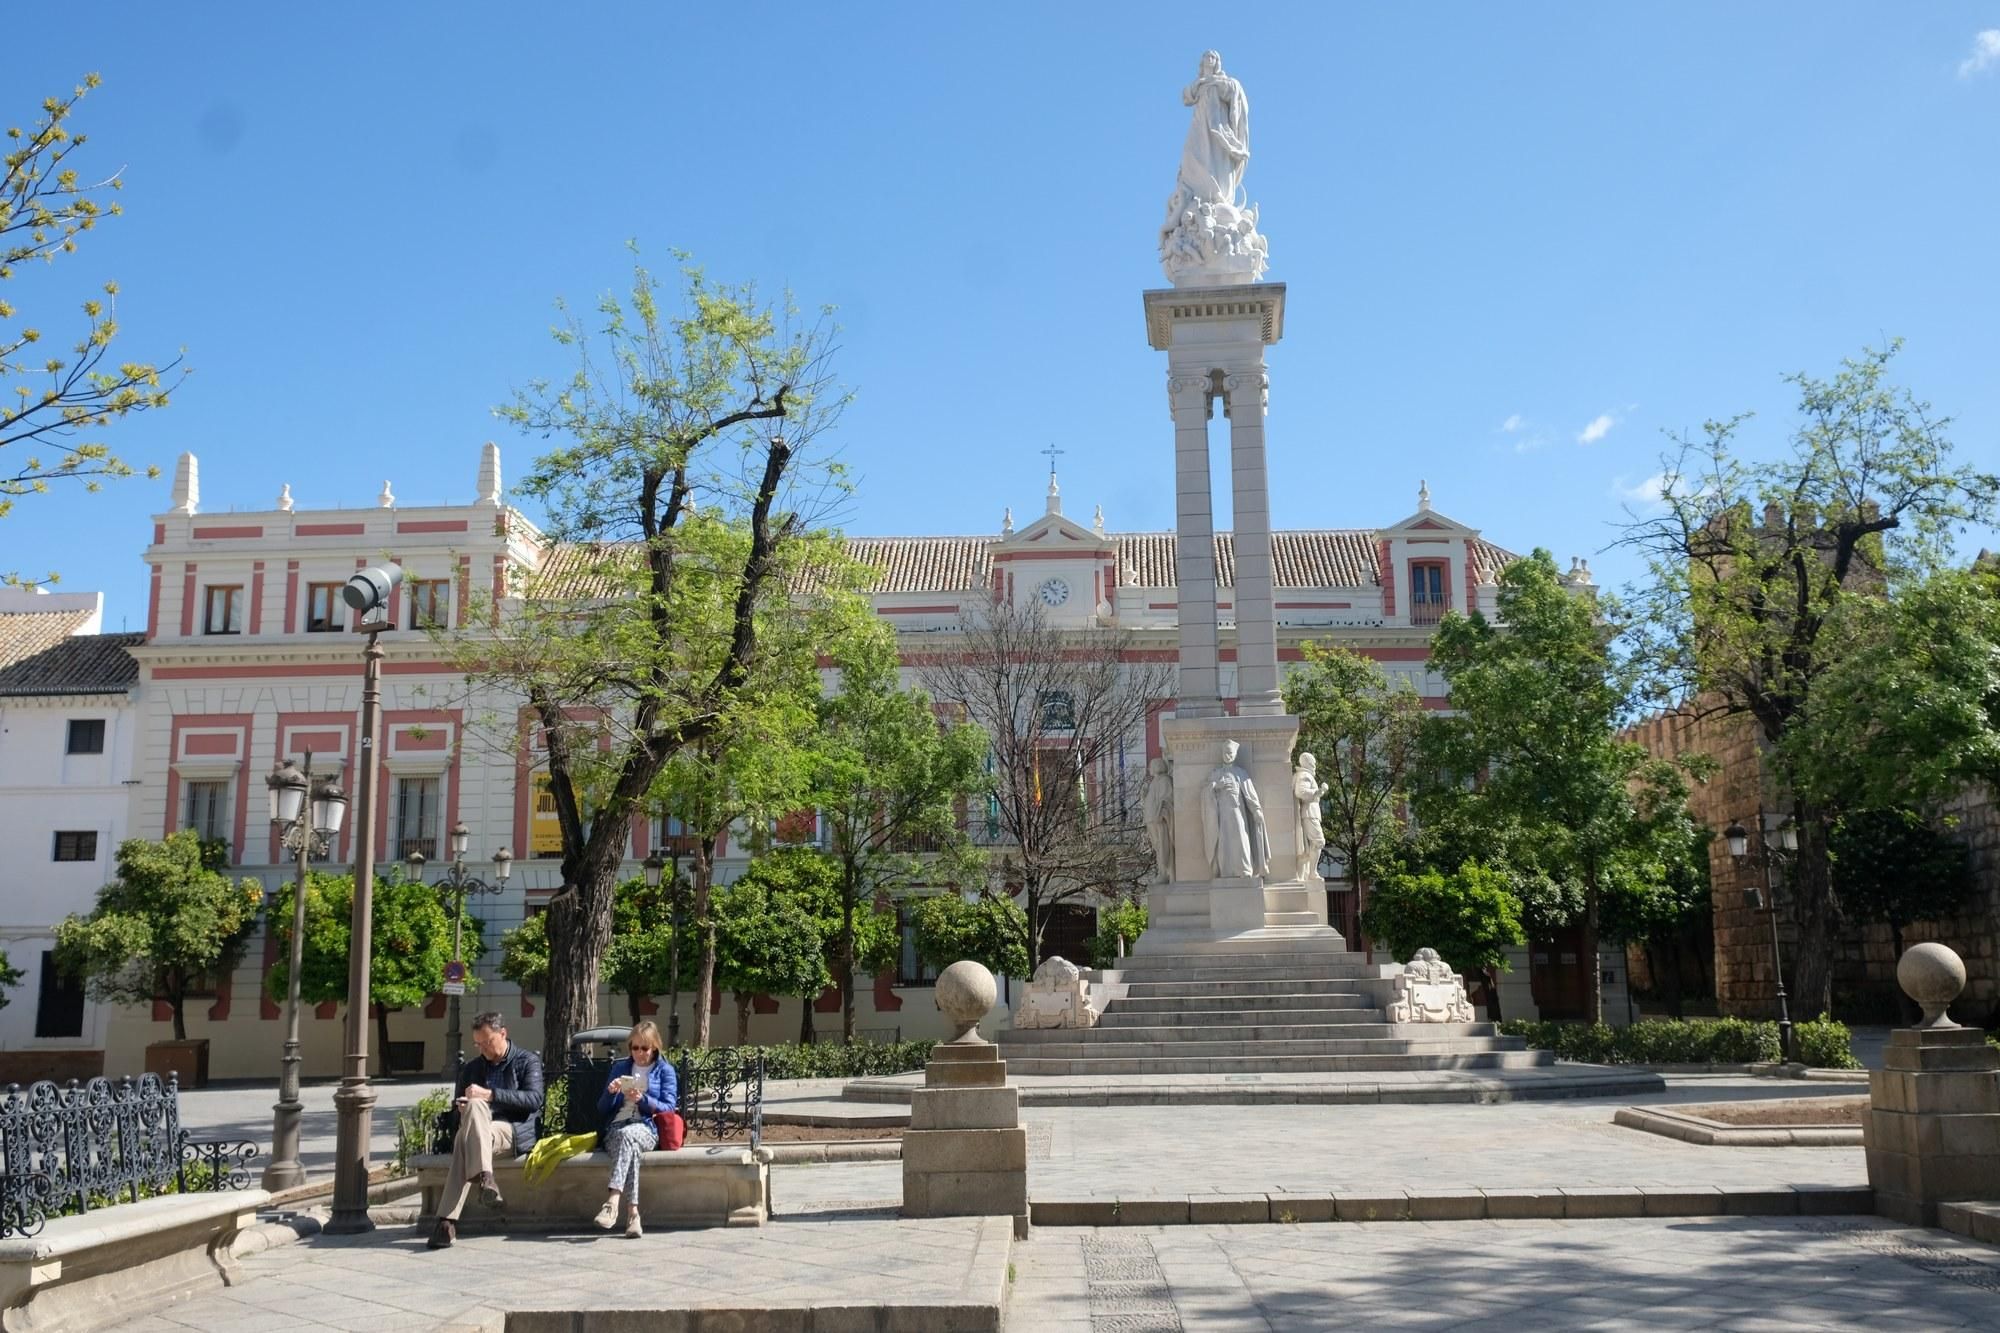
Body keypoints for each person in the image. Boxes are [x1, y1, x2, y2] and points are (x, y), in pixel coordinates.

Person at [428, 1012, 544, 1250]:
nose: (483, 1049)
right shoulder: (471, 1069)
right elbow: (454, 1115)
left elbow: (534, 1100)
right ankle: (485, 1179)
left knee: (466, 1134)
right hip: (479, 1133)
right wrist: (461, 1109)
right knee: (470, 1116)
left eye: (487, 1042)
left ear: (503, 1034)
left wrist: (490, 1095)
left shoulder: (526, 1060)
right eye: (478, 1044)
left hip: (511, 1130)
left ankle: (446, 1222)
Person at [592, 1019, 678, 1239]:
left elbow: (669, 1107)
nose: (639, 1053)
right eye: (635, 1047)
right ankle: (633, 1215)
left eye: (644, 1048)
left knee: (628, 1136)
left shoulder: (665, 1071)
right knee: (628, 1142)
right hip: (617, 1127)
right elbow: (602, 1108)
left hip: (647, 1127)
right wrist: (611, 1093)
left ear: (655, 1047)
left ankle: (612, 1202)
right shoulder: (620, 1068)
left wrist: (643, 1099)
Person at [1201, 738, 1269, 880]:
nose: (1228, 755)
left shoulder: (1240, 773)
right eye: (1225, 752)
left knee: (1241, 838)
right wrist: (1216, 786)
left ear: (1235, 754)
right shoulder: (1216, 773)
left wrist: (1256, 810)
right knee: (1224, 842)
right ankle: (1226, 871)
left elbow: (1250, 794)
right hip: (1223, 814)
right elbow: (1206, 792)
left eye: (1230, 753)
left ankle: (1245, 869)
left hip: (1238, 811)